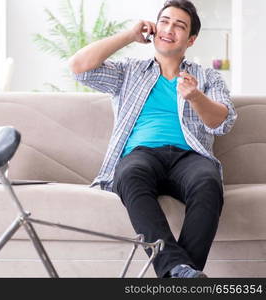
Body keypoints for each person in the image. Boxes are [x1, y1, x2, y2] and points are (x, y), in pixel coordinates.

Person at [68, 0, 237, 278]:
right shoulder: (129, 71)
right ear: (155, 28)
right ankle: (179, 272)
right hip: (142, 154)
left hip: (189, 157)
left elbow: (222, 121)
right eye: (165, 21)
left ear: (191, 40)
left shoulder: (207, 78)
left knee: (209, 182)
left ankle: (175, 274)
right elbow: (78, 67)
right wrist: (128, 36)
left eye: (179, 26)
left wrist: (195, 97)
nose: (169, 29)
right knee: (129, 174)